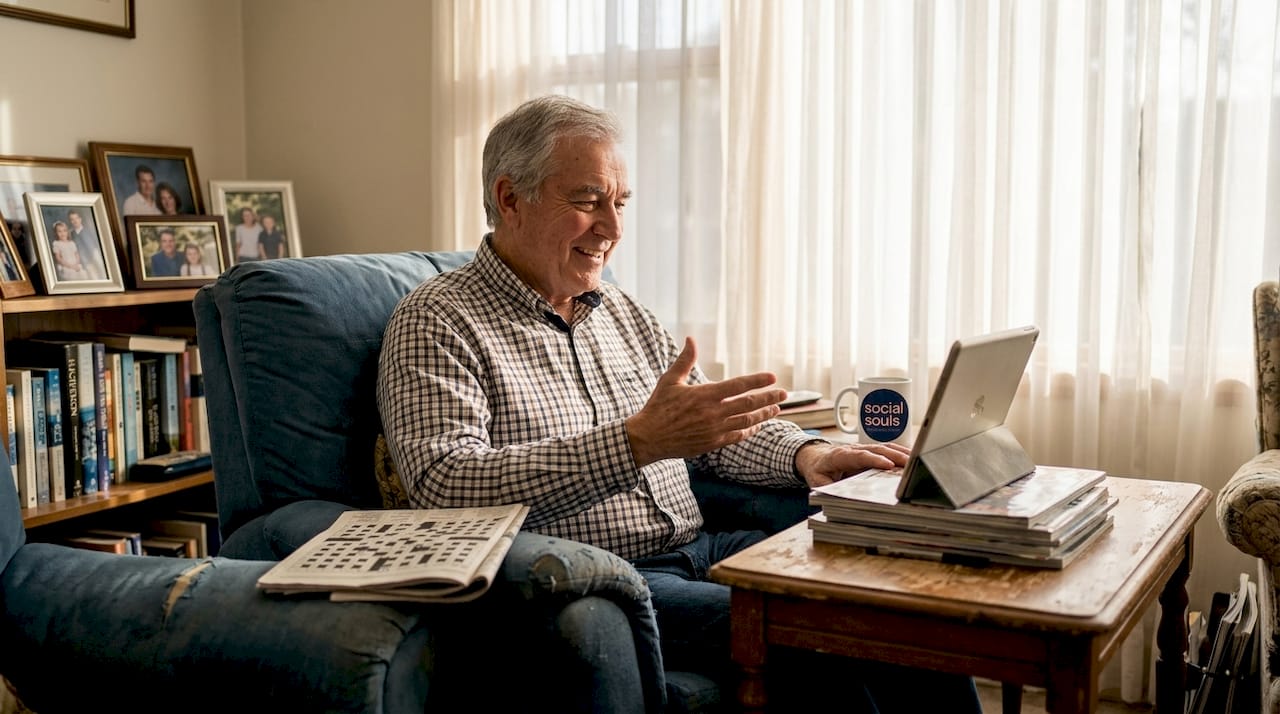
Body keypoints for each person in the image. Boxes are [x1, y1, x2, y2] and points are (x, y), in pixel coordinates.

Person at [376, 95, 982, 712]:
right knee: (840, 637)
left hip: (706, 547)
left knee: (910, 613)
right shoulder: (438, 319)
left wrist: (811, 455)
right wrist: (635, 444)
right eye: (588, 201)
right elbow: (443, 483)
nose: (613, 229)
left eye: (620, 203)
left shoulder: (622, 311)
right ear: (510, 198)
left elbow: (711, 427)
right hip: (607, 580)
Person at [66, 209, 106, 280]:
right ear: (70, 221)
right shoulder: (71, 234)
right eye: (72, 219)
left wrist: (96, 252)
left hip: (94, 253)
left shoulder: (88, 229)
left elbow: (96, 242)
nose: (75, 221)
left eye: (76, 218)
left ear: (80, 219)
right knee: (92, 274)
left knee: (102, 269)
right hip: (84, 258)